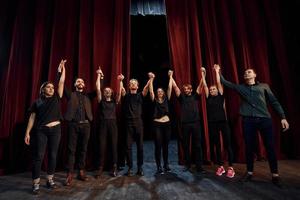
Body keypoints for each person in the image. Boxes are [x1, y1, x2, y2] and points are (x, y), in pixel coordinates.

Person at [214, 64, 289, 187]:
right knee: (249, 147)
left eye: (249, 72)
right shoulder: (240, 88)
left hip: (265, 120)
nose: (246, 73)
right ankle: (249, 172)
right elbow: (224, 82)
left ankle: (275, 174)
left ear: (254, 75)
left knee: (270, 147)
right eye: (245, 73)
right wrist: (217, 71)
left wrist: (283, 117)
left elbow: (274, 101)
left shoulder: (264, 86)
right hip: (248, 121)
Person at [24, 59, 66, 194]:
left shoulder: (56, 98)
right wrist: (27, 133)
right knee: (39, 156)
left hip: (56, 130)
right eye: (48, 87)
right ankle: (36, 183)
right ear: (43, 90)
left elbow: (61, 81)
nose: (52, 89)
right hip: (41, 130)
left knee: (53, 155)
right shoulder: (37, 102)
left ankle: (50, 180)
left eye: (52, 87)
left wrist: (62, 68)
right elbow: (32, 117)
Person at [63, 68, 98, 186]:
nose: (80, 83)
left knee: (83, 149)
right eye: (78, 81)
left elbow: (98, 88)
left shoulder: (88, 96)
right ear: (74, 84)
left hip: (86, 125)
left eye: (82, 82)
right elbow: (61, 84)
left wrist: (99, 76)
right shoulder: (70, 94)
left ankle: (81, 171)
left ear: (84, 85)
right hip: (73, 125)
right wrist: (62, 70)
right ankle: (70, 173)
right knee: (71, 150)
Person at [200, 66, 235, 178]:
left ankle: (230, 167)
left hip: (223, 122)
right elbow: (204, 85)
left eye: (213, 89)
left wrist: (216, 71)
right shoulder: (208, 97)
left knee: (228, 144)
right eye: (211, 90)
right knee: (216, 145)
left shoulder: (220, 95)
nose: (211, 90)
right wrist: (203, 74)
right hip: (212, 123)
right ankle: (220, 166)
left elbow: (219, 83)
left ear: (217, 90)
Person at [172, 72, 205, 173]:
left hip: (196, 123)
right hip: (185, 124)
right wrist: (171, 77)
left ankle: (199, 166)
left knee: (198, 145)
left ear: (191, 90)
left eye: (187, 89)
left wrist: (204, 74)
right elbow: (175, 87)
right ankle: (188, 164)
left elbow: (201, 86)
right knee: (186, 145)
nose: (186, 90)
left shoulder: (195, 96)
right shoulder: (182, 98)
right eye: (185, 89)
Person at [119, 74, 152, 176]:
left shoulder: (140, 95)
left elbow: (146, 88)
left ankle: (140, 167)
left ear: (137, 86)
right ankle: (129, 167)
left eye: (135, 83)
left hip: (138, 123)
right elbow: (122, 89)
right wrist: (121, 80)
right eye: (131, 83)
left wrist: (150, 79)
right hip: (128, 123)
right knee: (128, 146)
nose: (133, 84)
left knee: (140, 147)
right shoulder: (126, 96)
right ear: (129, 86)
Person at [95, 67, 119, 178]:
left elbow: (119, 93)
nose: (107, 92)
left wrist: (120, 81)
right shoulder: (101, 101)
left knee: (114, 146)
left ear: (111, 93)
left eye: (109, 91)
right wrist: (99, 75)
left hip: (113, 124)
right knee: (101, 146)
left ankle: (114, 167)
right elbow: (98, 89)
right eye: (106, 91)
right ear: (104, 93)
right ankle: (100, 167)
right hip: (103, 124)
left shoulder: (115, 101)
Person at [149, 70, 173, 174]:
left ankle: (166, 164)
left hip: (167, 124)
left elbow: (170, 88)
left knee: (165, 145)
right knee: (158, 145)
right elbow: (150, 91)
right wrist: (151, 80)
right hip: (157, 125)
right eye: (158, 91)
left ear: (163, 93)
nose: (159, 92)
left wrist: (170, 77)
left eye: (161, 91)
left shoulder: (167, 99)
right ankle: (159, 166)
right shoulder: (154, 99)